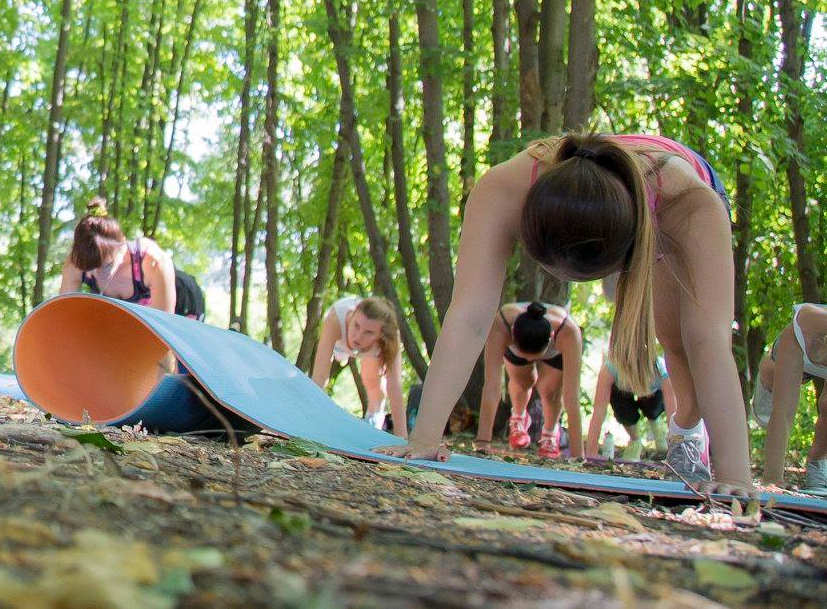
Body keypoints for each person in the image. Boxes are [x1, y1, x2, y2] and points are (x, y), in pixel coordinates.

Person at [383, 134, 748, 493]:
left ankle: (687, 429)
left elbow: (709, 341)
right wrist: (425, 436)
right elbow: (469, 316)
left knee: (678, 340)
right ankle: (688, 434)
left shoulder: (689, 204)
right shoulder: (503, 188)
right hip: (621, 201)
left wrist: (734, 476)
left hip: (672, 196)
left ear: (626, 259)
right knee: (677, 340)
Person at [472, 302, 584, 459]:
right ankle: (518, 418)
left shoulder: (568, 331)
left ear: (551, 336)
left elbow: (571, 397)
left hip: (555, 351)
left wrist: (578, 457)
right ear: (512, 334)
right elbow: (492, 387)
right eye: (526, 357)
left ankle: (550, 435)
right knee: (523, 382)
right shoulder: (501, 325)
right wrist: (482, 443)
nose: (531, 360)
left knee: (550, 391)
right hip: (519, 343)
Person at [307, 295, 408, 437]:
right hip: (339, 344)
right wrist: (307, 420)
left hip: (370, 352)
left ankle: (373, 425)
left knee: (373, 384)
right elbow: (320, 376)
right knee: (322, 377)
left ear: (381, 335)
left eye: (369, 332)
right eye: (356, 326)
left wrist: (402, 439)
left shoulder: (390, 339)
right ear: (353, 313)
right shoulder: (335, 319)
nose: (358, 336)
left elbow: (394, 387)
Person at [753, 303, 827, 493]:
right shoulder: (799, 331)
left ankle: (817, 465)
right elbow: (783, 414)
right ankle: (766, 371)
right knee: (776, 388)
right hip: (798, 346)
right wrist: (772, 480)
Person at [56, 200, 175, 312]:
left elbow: (163, 322)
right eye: (89, 267)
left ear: (122, 247)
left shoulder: (153, 263)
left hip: (175, 306)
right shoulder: (76, 262)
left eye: (105, 266)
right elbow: (64, 314)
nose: (95, 274)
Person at [588, 353, 668, 462]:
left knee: (652, 409)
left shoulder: (662, 372)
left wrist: (674, 448)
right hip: (621, 390)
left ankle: (660, 436)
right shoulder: (611, 368)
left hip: (654, 394)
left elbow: (673, 412)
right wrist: (590, 457)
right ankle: (635, 442)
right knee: (624, 411)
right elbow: (598, 412)